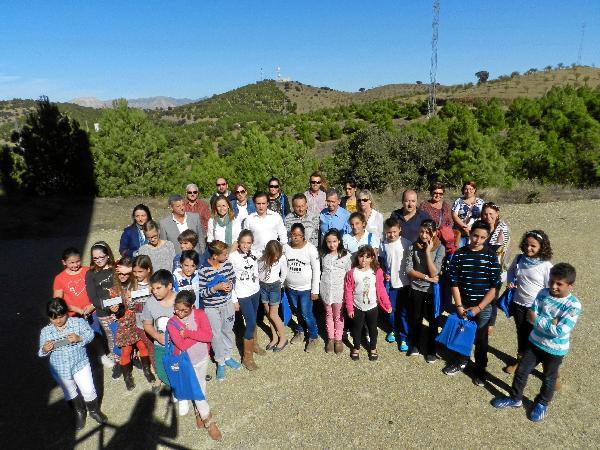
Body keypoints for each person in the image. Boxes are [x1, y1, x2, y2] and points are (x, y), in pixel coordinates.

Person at [492, 263, 581, 422]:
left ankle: (542, 403)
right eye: (551, 281)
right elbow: (531, 315)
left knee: (548, 378)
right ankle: (515, 398)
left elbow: (560, 331)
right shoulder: (542, 292)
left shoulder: (573, 305)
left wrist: (539, 320)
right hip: (534, 342)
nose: (553, 286)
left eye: (559, 284)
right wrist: (550, 322)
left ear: (570, 285)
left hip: (554, 349)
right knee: (521, 371)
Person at [442, 220, 501, 386]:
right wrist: (459, 306)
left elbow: (494, 287)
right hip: (464, 304)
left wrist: (479, 307)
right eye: (475, 235)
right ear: (470, 234)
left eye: (482, 237)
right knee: (462, 335)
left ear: (487, 238)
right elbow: (454, 283)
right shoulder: (460, 254)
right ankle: (461, 361)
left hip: (483, 307)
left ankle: (481, 370)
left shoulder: (490, 256)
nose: (477, 240)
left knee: (481, 340)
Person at [39, 298, 108, 430]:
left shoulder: (78, 323)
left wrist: (79, 338)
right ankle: (80, 412)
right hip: (60, 369)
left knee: (88, 389)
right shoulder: (45, 332)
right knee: (69, 392)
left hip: (80, 364)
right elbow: (41, 352)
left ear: (67, 313)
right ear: (49, 318)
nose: (58, 321)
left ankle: (94, 411)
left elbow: (90, 335)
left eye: (61, 316)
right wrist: (45, 349)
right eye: (54, 318)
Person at [167, 291, 222, 440]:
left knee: (201, 386)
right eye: (177, 309)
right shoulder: (172, 322)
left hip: (203, 357)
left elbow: (208, 336)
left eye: (184, 310)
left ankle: (198, 412)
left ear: (192, 306)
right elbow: (181, 345)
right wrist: (198, 335)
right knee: (199, 392)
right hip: (187, 362)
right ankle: (209, 421)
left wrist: (189, 333)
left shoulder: (200, 314)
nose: (179, 313)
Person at [503, 230, 553, 375]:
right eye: (527, 244)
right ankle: (520, 362)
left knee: (539, 337)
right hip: (518, 304)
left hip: (536, 308)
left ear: (542, 248)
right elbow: (511, 271)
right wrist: (511, 282)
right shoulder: (519, 259)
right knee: (522, 334)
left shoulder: (546, 266)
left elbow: (550, 288)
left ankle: (548, 369)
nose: (529, 248)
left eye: (533, 246)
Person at [141, 269, 190, 417]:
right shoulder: (150, 303)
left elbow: (191, 322)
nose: (154, 292)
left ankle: (183, 396)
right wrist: (156, 336)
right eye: (153, 288)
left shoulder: (181, 300)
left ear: (169, 286)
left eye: (158, 288)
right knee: (164, 371)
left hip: (179, 346)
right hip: (161, 345)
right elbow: (147, 325)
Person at [197, 240, 240, 382]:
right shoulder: (203, 270)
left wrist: (229, 286)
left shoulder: (227, 264)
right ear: (214, 256)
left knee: (227, 330)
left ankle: (228, 356)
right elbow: (202, 293)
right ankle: (220, 361)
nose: (227, 256)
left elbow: (233, 278)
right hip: (212, 308)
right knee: (216, 334)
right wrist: (215, 288)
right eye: (224, 254)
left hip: (227, 304)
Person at [112, 257, 156, 392]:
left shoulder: (135, 283)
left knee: (143, 346)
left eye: (126, 273)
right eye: (120, 273)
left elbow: (146, 279)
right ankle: (127, 377)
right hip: (125, 323)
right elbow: (115, 307)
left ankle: (147, 371)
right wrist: (114, 308)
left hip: (137, 320)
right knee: (126, 350)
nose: (123, 276)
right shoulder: (115, 289)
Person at [406, 219, 445, 362]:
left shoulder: (440, 248)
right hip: (416, 287)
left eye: (427, 232)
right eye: (422, 231)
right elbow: (409, 269)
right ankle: (415, 344)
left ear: (434, 233)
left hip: (431, 291)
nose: (423, 235)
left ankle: (431, 349)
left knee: (433, 321)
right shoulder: (413, 247)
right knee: (415, 318)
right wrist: (426, 278)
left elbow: (435, 272)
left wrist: (428, 253)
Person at [344, 245, 392, 361]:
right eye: (361, 256)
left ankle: (373, 348)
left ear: (372, 258)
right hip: (357, 306)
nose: (364, 260)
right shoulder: (352, 272)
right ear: (357, 257)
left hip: (372, 307)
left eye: (367, 257)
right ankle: (356, 347)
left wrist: (387, 304)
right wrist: (349, 308)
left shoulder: (377, 272)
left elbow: (381, 289)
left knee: (372, 329)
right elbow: (348, 291)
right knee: (357, 329)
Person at [230, 230, 266, 371]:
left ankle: (255, 344)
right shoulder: (232, 257)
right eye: (243, 242)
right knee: (250, 322)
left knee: (255, 319)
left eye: (248, 242)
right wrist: (234, 299)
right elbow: (229, 279)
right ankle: (247, 357)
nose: (245, 245)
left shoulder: (254, 253)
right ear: (238, 242)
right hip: (242, 294)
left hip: (255, 291)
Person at [284, 223, 321, 352]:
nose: (296, 237)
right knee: (297, 311)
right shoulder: (286, 248)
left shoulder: (310, 249)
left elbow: (316, 270)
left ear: (303, 235)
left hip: (306, 289)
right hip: (291, 288)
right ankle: (300, 330)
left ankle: (313, 336)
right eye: (293, 234)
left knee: (306, 313)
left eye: (299, 235)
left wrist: (315, 290)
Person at [85, 241, 120, 372]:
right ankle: (118, 361)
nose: (99, 260)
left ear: (108, 255)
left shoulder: (115, 268)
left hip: (121, 309)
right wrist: (109, 307)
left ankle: (129, 357)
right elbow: (93, 298)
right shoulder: (90, 274)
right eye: (95, 258)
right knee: (111, 337)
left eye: (101, 257)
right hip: (104, 313)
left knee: (124, 333)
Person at [378, 218, 412, 351]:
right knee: (391, 311)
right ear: (385, 232)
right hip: (390, 284)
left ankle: (404, 337)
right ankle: (393, 330)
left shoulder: (407, 244)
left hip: (404, 284)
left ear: (400, 230)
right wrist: (384, 272)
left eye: (394, 232)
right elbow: (381, 262)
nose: (392, 235)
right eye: (389, 232)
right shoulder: (383, 245)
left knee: (403, 312)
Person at [481, 201, 511, 334]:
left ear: (497, 214)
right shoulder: (483, 227)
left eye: (491, 214)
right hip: (482, 267)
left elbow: (497, 249)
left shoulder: (503, 228)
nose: (488, 216)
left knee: (493, 296)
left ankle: (490, 323)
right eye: (485, 214)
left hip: (497, 268)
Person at [320, 229, 351, 354]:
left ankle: (338, 339)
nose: (331, 244)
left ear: (339, 241)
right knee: (328, 315)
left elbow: (349, 275)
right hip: (327, 291)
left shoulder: (346, 256)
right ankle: (330, 339)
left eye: (334, 241)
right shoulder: (324, 256)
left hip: (339, 292)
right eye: (329, 242)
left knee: (338, 316)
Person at [258, 240, 288, 352]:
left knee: (274, 314)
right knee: (268, 314)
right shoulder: (262, 258)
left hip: (274, 287)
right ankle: (275, 337)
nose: (276, 258)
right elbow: (258, 272)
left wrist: (279, 283)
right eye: (273, 256)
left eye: (277, 256)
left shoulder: (282, 258)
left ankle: (283, 338)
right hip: (263, 286)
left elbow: (284, 273)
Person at [242, 192, 287, 258]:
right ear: (254, 204)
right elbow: (245, 240)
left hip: (273, 255)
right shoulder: (249, 219)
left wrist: (280, 252)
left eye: (263, 203)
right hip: (255, 257)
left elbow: (283, 236)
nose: (261, 206)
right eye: (258, 203)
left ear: (268, 203)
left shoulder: (276, 217)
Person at [53, 247, 95, 318]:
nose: (75, 265)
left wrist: (93, 306)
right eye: (72, 263)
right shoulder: (59, 278)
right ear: (64, 262)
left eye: (78, 261)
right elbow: (58, 302)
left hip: (94, 311)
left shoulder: (88, 271)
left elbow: (99, 289)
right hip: (73, 316)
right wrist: (75, 309)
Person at [419, 182, 455, 254]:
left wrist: (444, 231)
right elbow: (421, 222)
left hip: (444, 238)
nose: (438, 195)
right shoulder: (424, 205)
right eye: (435, 193)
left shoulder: (445, 205)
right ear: (431, 193)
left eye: (440, 193)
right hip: (430, 238)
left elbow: (450, 222)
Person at [451, 181, 485, 248]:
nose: (468, 191)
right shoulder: (458, 201)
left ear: (474, 190)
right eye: (466, 189)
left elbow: (482, 216)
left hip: (474, 233)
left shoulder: (481, 202)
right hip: (460, 233)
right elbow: (454, 215)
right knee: (457, 252)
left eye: (471, 189)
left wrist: (472, 227)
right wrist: (465, 227)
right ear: (463, 190)